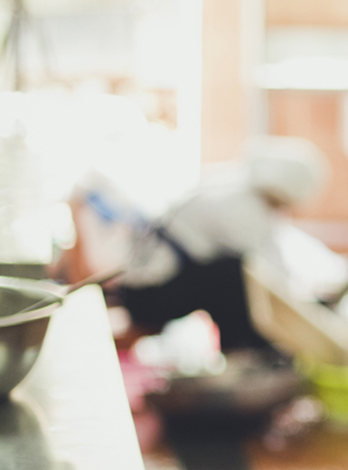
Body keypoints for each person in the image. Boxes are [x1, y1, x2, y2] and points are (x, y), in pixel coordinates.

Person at [66, 136, 330, 355]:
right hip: (148, 296)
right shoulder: (242, 207)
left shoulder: (232, 182)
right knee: (234, 276)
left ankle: (248, 353)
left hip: (140, 287)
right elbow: (268, 274)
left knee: (235, 275)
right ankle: (246, 356)